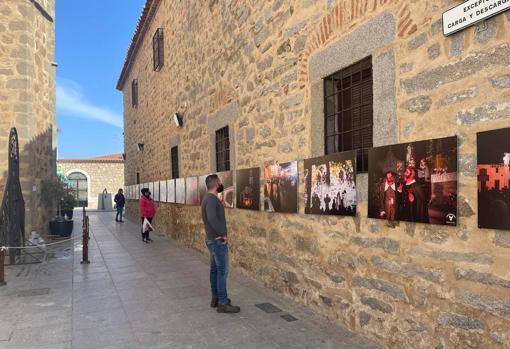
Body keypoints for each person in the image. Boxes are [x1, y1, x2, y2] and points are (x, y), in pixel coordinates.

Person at [201, 174, 240, 313]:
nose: (221, 183)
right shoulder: (211, 200)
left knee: (215, 270)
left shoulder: (208, 198)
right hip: (217, 241)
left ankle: (216, 298)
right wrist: (222, 234)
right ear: (216, 183)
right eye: (220, 182)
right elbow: (212, 218)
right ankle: (223, 302)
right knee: (222, 272)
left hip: (212, 239)